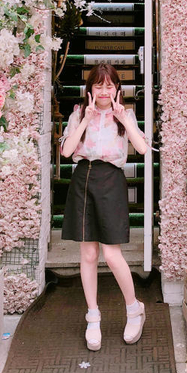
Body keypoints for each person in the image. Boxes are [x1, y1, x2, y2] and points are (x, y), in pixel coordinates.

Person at [60, 63, 150, 351]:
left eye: (109, 85)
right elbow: (66, 151)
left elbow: (143, 148)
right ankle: (93, 317)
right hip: (82, 180)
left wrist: (122, 118)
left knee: (111, 255)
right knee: (88, 254)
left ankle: (134, 309)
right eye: (98, 85)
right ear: (90, 89)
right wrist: (85, 120)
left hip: (111, 180)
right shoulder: (78, 114)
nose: (103, 91)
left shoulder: (126, 115)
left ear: (117, 88)